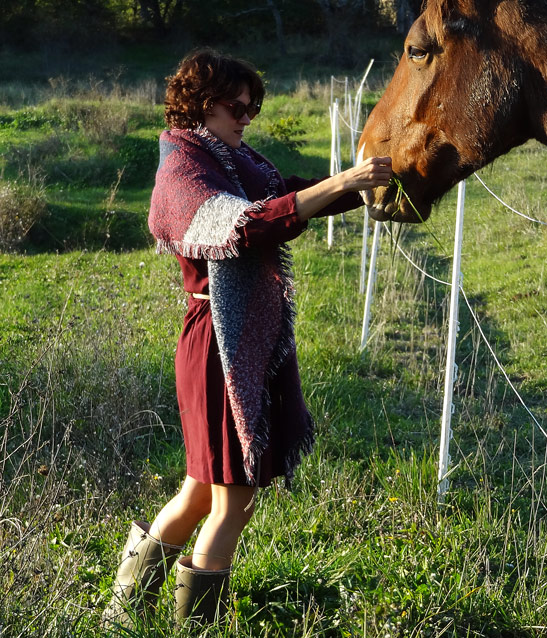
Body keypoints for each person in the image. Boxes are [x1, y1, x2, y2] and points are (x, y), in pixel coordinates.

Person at [102, 48, 392, 629]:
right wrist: (347, 180)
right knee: (233, 500)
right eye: (237, 106)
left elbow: (283, 196)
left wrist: (360, 193)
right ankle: (192, 626)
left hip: (228, 341)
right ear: (201, 104)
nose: (246, 116)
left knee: (200, 493)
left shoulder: (229, 158)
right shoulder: (181, 166)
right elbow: (248, 225)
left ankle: (122, 613)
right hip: (217, 344)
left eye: (252, 108)